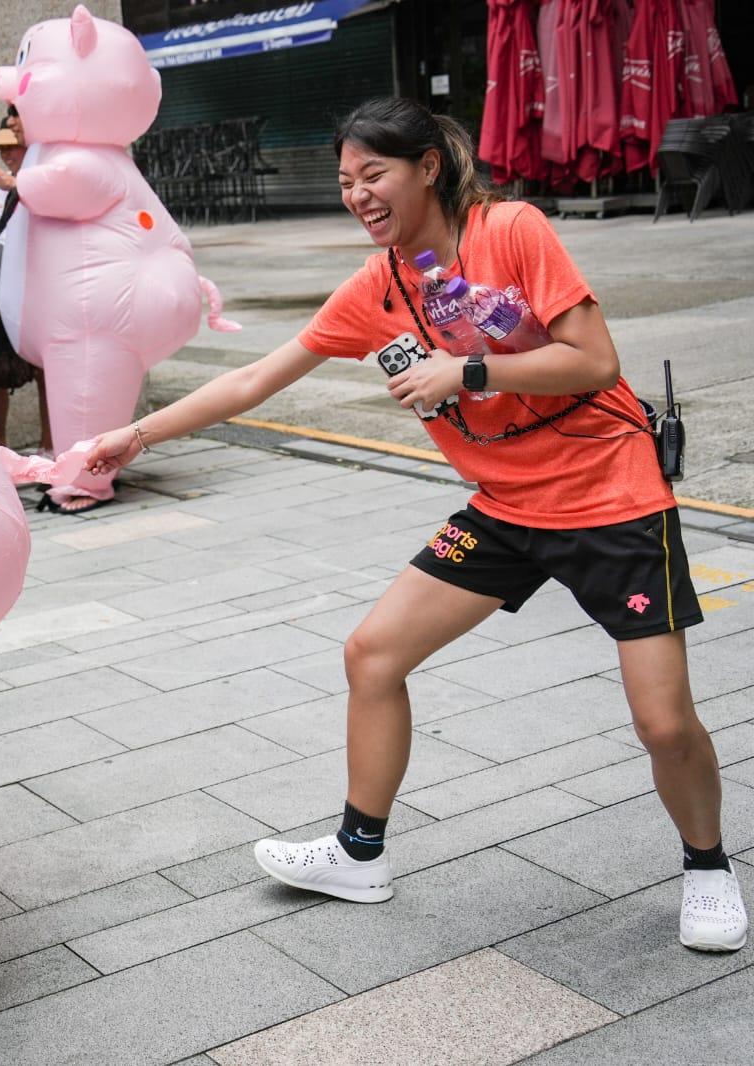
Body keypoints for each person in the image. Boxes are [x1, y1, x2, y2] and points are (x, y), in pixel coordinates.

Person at [85, 96, 747, 952]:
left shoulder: (511, 231)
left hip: (610, 497)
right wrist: (134, 434)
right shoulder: (379, 286)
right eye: (345, 181)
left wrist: (464, 371)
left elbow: (595, 361)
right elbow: (255, 381)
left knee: (662, 721)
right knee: (373, 653)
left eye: (374, 174)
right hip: (504, 510)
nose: (358, 194)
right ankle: (360, 854)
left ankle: (707, 868)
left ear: (427, 168)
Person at [0, 107, 51, 453]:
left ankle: (50, 444)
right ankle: (0, 444)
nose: (7, 154)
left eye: (12, 146)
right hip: (5, 284)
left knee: (45, 368)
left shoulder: (43, 178)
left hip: (41, 282)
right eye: (2, 149)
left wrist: (20, 188)